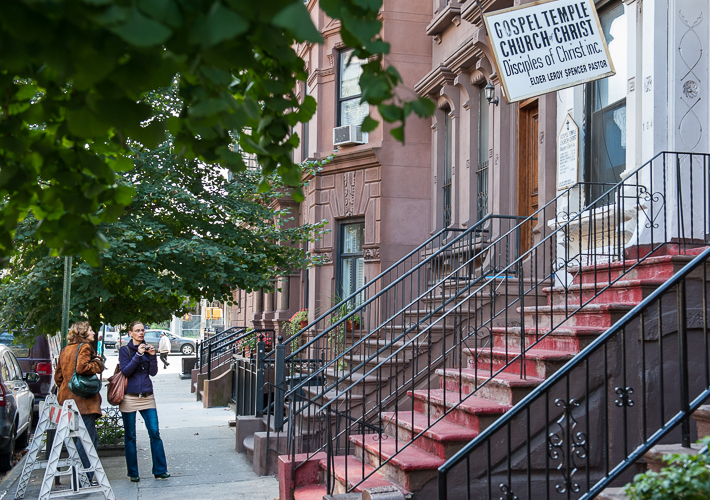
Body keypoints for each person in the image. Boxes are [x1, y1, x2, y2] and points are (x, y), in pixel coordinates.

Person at [54, 321, 106, 484]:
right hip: (83, 401)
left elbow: (58, 377)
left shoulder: (66, 349)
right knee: (86, 439)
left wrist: (67, 388)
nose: (93, 333)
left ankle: (83, 475)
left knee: (84, 437)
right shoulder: (84, 347)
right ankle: (83, 477)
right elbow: (82, 368)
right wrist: (98, 362)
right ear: (83, 333)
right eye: (90, 330)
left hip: (67, 400)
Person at [118, 321, 170, 482]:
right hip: (129, 397)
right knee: (130, 436)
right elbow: (126, 371)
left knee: (155, 433)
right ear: (130, 333)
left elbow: (153, 373)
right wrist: (138, 355)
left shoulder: (148, 348)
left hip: (147, 396)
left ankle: (160, 470)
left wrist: (153, 357)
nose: (141, 333)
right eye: (137, 331)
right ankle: (133, 473)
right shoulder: (125, 350)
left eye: (143, 330)